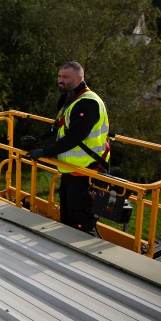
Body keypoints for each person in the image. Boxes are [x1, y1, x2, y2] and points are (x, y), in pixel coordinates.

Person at [22, 61, 110, 235]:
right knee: (67, 218)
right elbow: (59, 126)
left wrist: (44, 152)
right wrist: (38, 141)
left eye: (65, 77)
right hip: (71, 170)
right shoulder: (72, 98)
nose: (60, 81)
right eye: (59, 76)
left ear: (79, 79)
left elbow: (73, 138)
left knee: (81, 224)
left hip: (88, 172)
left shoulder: (88, 103)